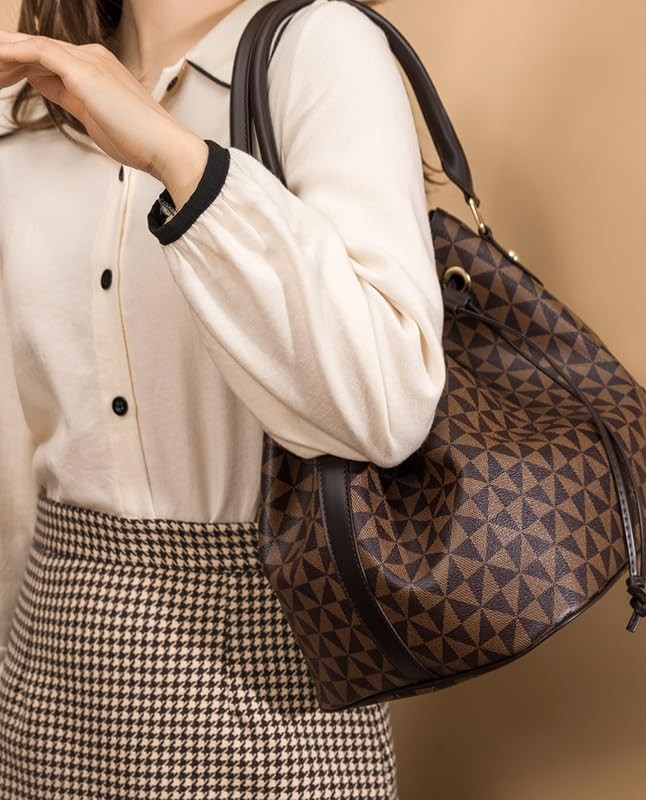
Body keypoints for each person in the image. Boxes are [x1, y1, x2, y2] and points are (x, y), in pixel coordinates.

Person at [0, 0, 446, 796]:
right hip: (44, 670)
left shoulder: (320, 49)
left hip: (266, 677)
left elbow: (385, 407)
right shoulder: (25, 105)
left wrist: (178, 158)